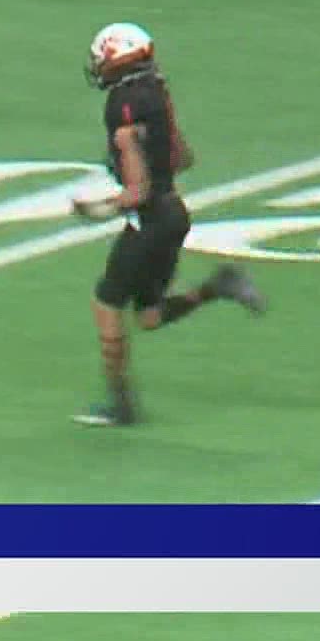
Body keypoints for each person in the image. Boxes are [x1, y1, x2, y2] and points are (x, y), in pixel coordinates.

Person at [68, 23, 266, 427]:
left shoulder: (122, 104)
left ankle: (121, 405)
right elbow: (183, 156)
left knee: (106, 305)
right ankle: (220, 285)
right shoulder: (157, 89)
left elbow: (138, 190)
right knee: (150, 315)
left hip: (151, 221)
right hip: (174, 213)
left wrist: (100, 208)